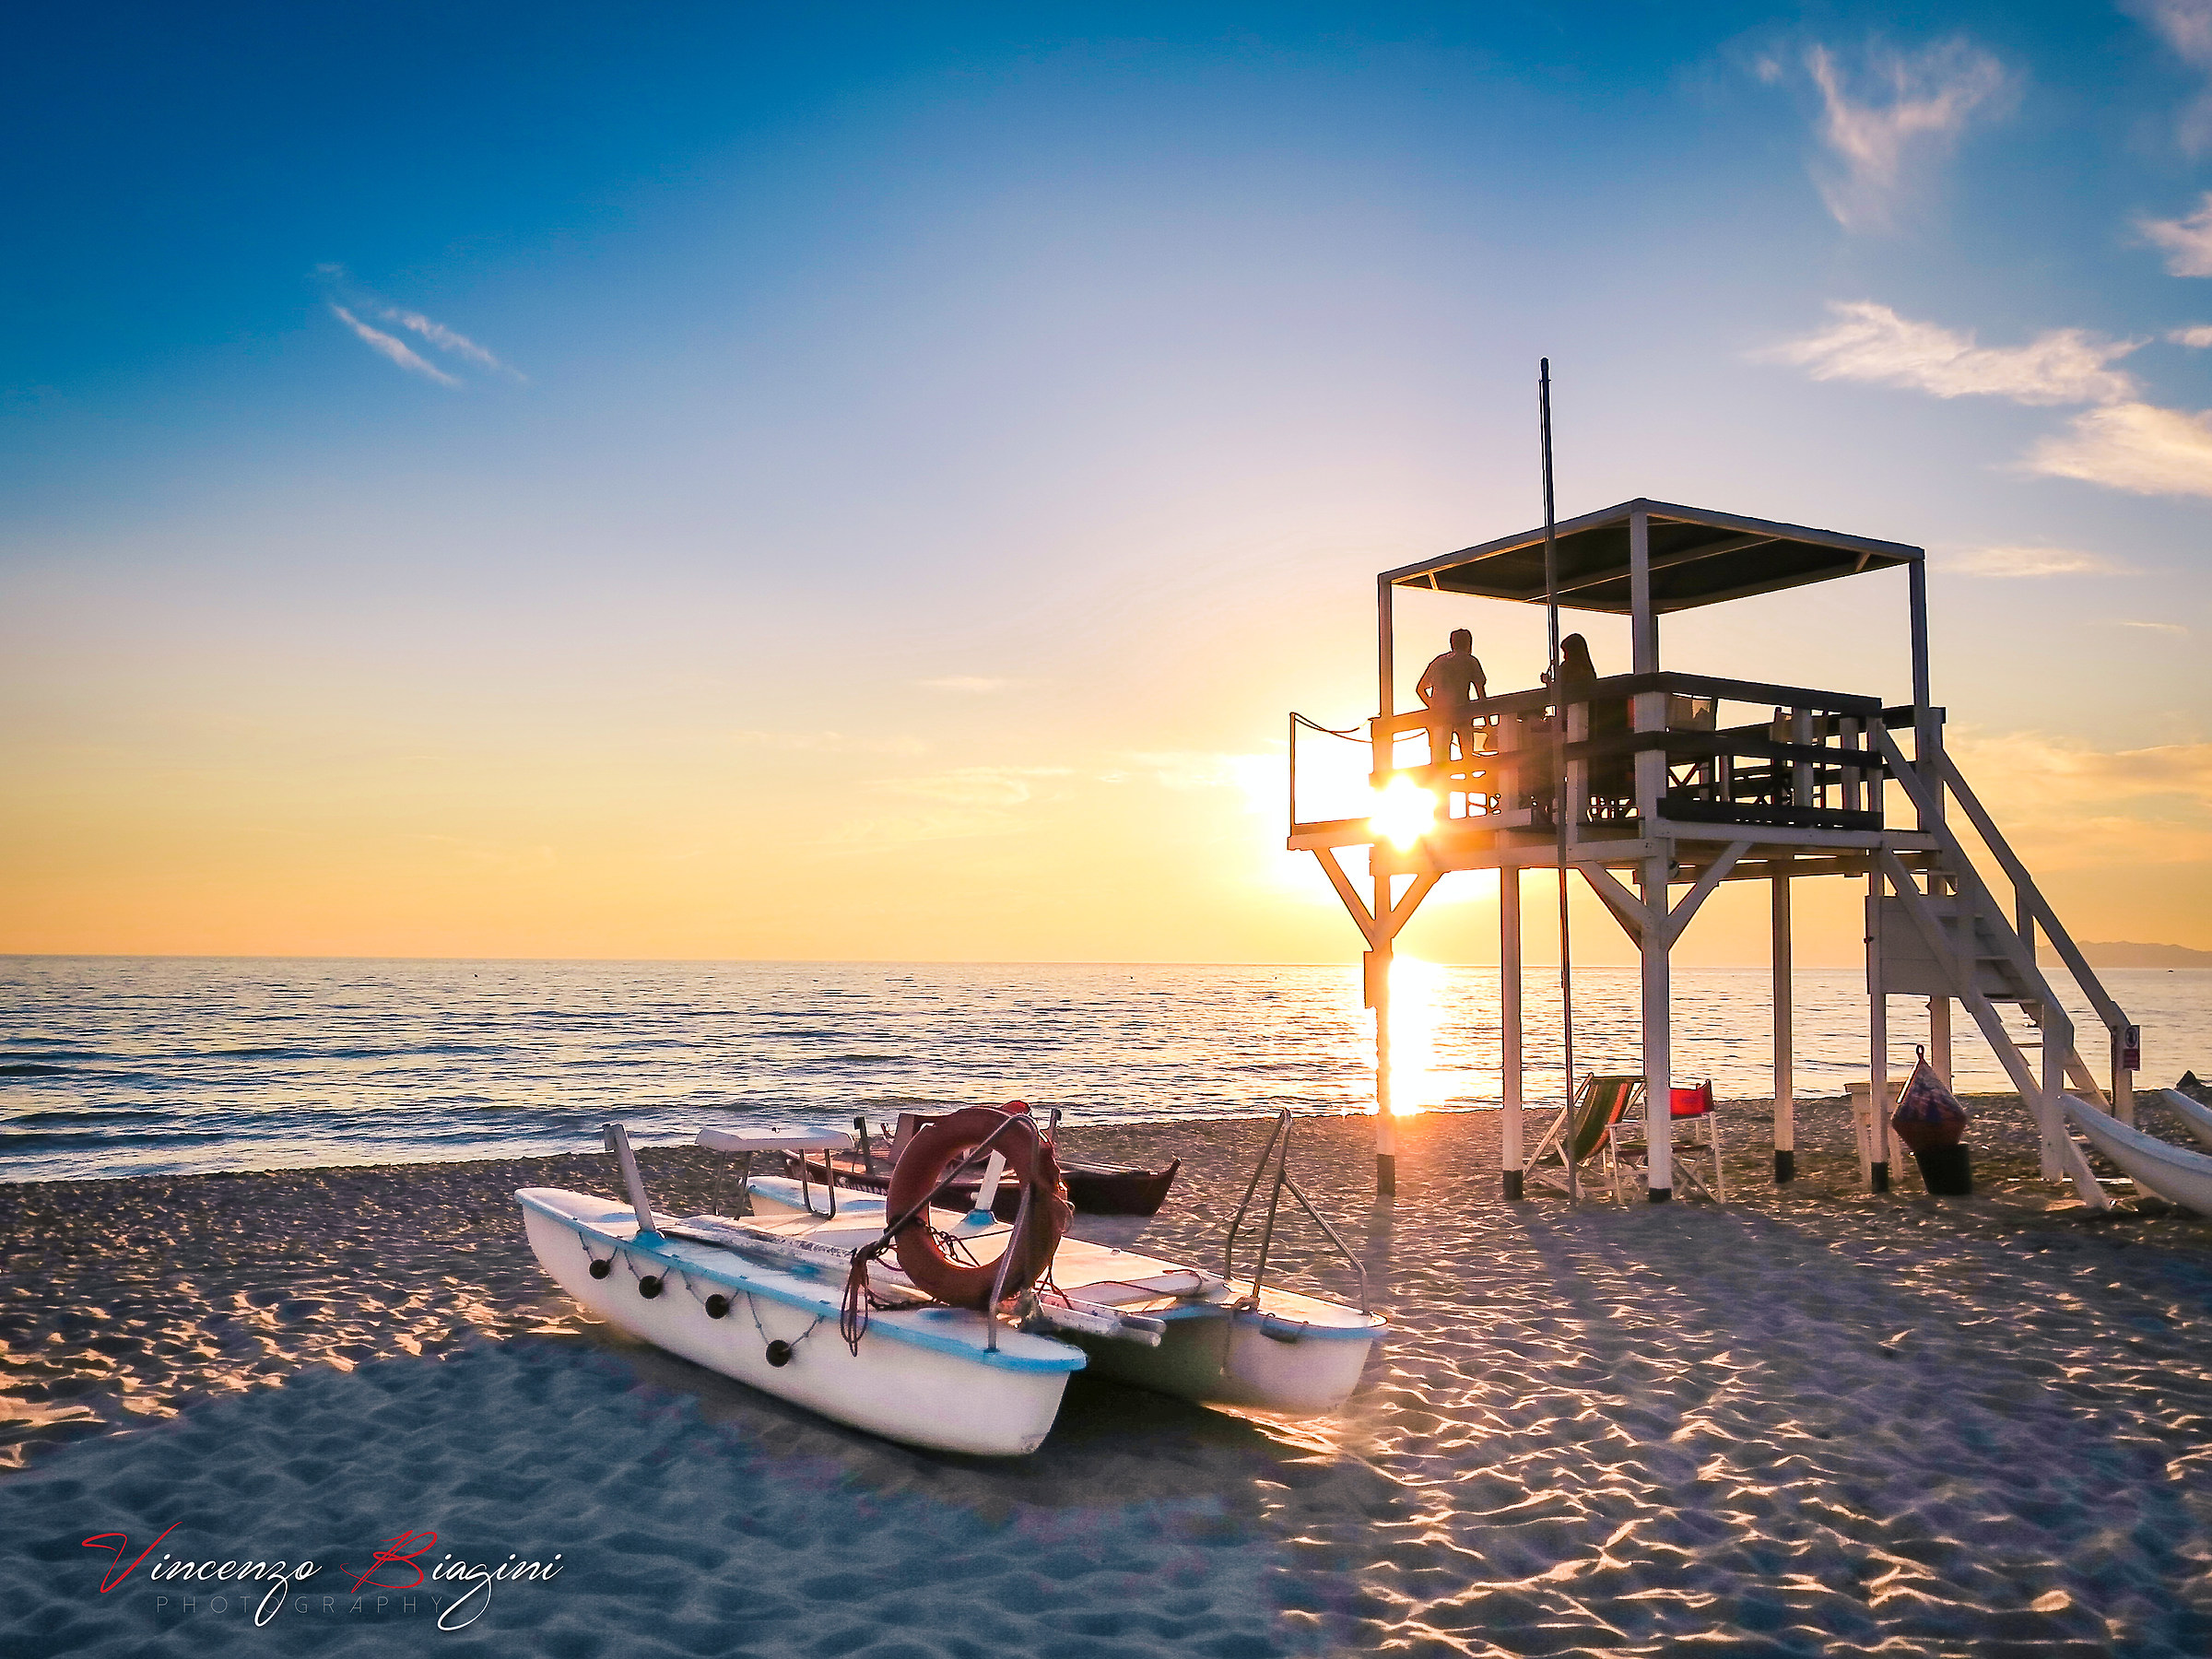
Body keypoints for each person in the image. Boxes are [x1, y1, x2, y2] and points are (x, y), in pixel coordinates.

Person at [1416, 629, 1488, 766]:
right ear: (1469, 644)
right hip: (1462, 713)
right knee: (1467, 755)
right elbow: (1481, 693)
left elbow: (1420, 689)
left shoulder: (1438, 662)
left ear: (1452, 643)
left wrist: (1432, 705)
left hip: (1438, 716)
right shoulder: (1470, 661)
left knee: (1439, 759)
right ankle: (1468, 776)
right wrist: (1487, 721)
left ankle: (1441, 779)